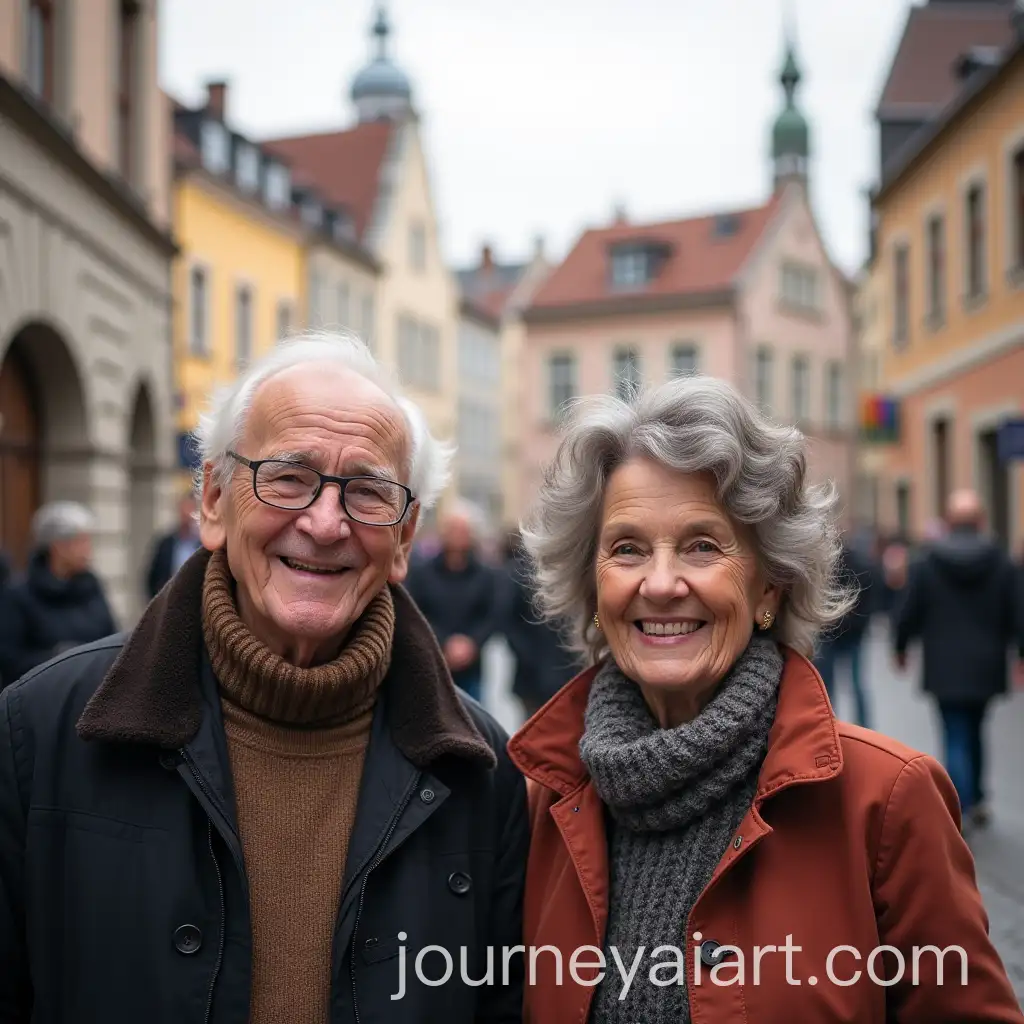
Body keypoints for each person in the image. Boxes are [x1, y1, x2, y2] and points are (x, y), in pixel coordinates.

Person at [0, 334, 528, 1023]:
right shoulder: (40, 731)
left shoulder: (480, 771)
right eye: (287, 477)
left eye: (369, 492)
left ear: (404, 539)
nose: (325, 523)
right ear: (214, 500)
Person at [506, 376, 1023, 1023]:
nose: (660, 583)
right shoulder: (543, 802)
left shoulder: (886, 802)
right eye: (627, 548)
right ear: (593, 587)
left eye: (702, 545)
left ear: (770, 587)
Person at [893, 489, 1024, 830]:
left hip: (944, 664)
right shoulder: (1001, 562)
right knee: (976, 728)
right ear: (980, 521)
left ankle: (959, 804)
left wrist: (900, 646)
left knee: (955, 733)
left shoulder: (927, 562)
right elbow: (1018, 612)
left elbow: (910, 609)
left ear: (948, 522)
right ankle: (976, 798)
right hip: (986, 664)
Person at [0, 500, 116, 686]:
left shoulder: (92, 587)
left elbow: (111, 635)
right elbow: (10, 660)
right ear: (58, 546)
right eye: (81, 541)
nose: (88, 549)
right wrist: (60, 657)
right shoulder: (18, 595)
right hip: (44, 695)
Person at [405, 501, 502, 703]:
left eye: (463, 530)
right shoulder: (422, 573)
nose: (458, 535)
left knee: (472, 715)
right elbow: (414, 610)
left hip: (471, 665)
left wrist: (472, 643)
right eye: (453, 529)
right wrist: (443, 642)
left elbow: (492, 615)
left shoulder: (486, 575)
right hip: (431, 661)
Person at [499, 530, 582, 719]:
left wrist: (595, 633)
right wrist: (526, 653)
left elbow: (596, 616)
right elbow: (509, 620)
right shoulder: (522, 572)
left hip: (575, 672)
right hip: (532, 677)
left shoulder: (580, 571)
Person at [813, 534, 875, 727]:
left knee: (828, 686)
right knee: (855, 684)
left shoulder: (825, 567)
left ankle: (829, 726)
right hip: (847, 634)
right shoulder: (861, 564)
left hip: (831, 633)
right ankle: (864, 727)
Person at [146, 493, 202, 597]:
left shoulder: (203, 545)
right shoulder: (166, 544)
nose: (186, 518)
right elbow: (152, 578)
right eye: (184, 513)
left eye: (190, 512)